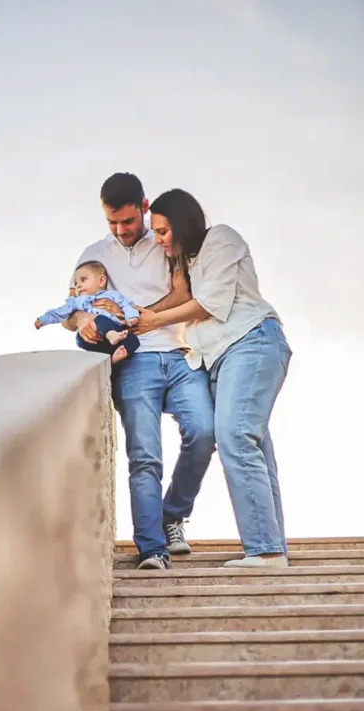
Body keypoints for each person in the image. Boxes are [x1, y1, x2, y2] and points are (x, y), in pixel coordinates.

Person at [64, 173, 216, 569]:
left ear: (144, 208)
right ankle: (152, 549)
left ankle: (172, 515)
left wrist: (143, 316)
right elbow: (71, 310)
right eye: (112, 222)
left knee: (205, 432)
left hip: (181, 354)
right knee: (145, 456)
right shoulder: (94, 253)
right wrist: (84, 320)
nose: (121, 230)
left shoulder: (166, 240)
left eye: (128, 221)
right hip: (133, 362)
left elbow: (184, 293)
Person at [136, 187, 292, 567]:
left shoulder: (221, 238)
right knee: (254, 446)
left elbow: (210, 304)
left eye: (162, 231)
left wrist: (154, 321)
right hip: (218, 359)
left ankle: (265, 551)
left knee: (235, 436)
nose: (158, 239)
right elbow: (182, 296)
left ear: (182, 223)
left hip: (250, 342)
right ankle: (273, 548)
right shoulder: (187, 261)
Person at [35, 261, 140, 363]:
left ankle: (115, 357)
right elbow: (59, 312)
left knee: (134, 340)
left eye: (83, 280)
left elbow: (127, 305)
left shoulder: (113, 295)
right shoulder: (77, 301)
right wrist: (42, 320)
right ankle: (111, 338)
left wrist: (131, 317)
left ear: (101, 281)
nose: (78, 286)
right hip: (91, 337)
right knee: (96, 321)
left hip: (115, 332)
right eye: (76, 284)